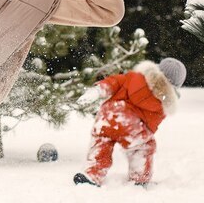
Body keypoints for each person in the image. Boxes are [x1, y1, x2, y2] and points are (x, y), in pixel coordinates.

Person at [73, 57, 186, 187]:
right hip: (131, 125)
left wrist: (98, 90)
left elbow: (114, 81)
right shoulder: (164, 102)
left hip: (108, 114)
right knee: (144, 147)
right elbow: (151, 124)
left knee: (102, 144)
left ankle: (91, 175)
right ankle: (139, 178)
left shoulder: (133, 77)